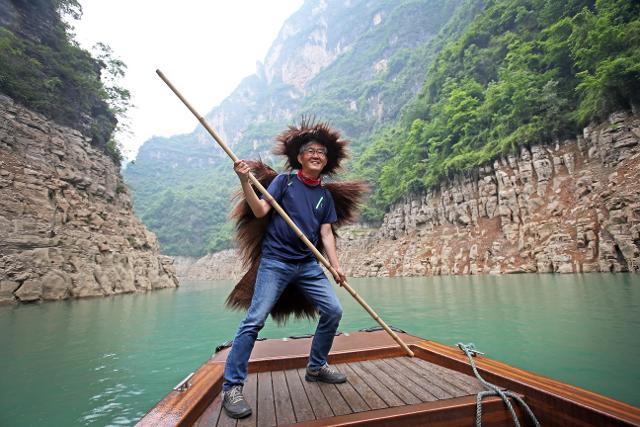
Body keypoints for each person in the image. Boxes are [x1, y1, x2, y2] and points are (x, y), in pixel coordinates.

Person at [221, 122, 350, 419]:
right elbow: (260, 211)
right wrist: (245, 182)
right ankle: (231, 386)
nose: (317, 155)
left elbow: (326, 233)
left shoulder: (325, 196)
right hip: (275, 262)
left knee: (333, 311)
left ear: (326, 161)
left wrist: (335, 265)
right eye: (311, 151)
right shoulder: (285, 182)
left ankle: (316, 367)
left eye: (322, 152)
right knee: (254, 320)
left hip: (308, 265)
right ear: (301, 158)